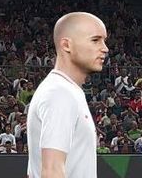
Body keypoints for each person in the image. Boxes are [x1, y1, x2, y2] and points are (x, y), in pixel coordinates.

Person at [27, 12, 108, 178]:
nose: (105, 48)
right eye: (95, 40)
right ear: (66, 45)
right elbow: (52, 171)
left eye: (104, 41)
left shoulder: (66, 90)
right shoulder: (60, 94)